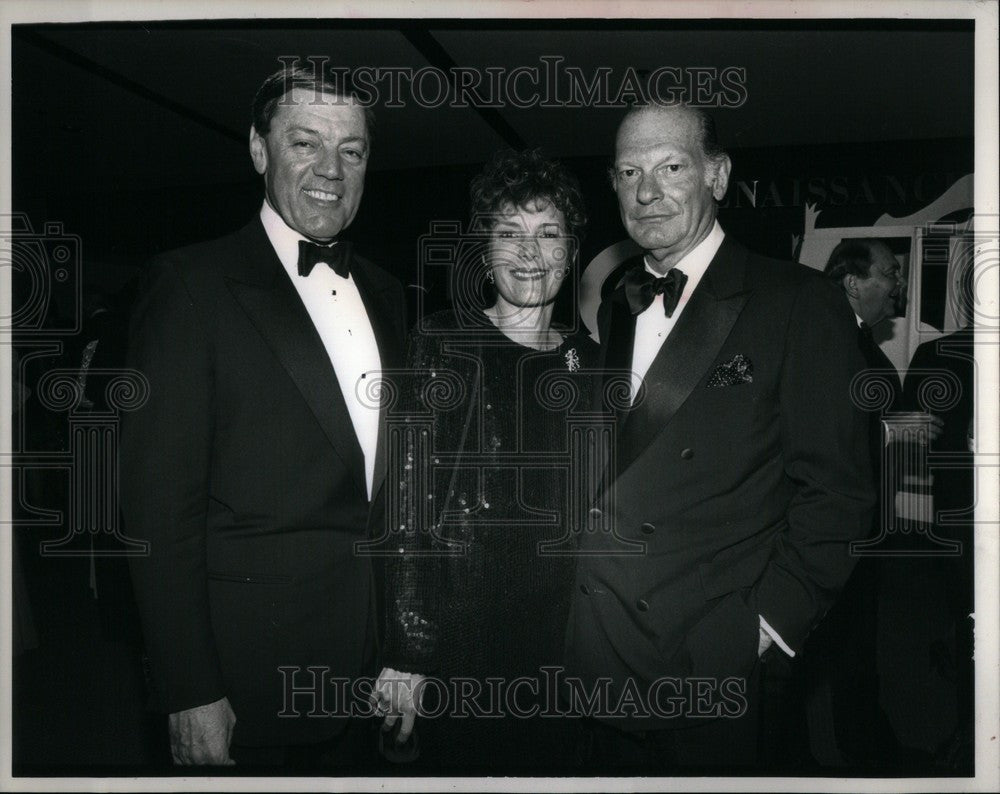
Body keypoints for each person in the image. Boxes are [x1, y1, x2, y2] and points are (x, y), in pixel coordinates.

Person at [563, 103, 875, 770]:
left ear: (718, 175)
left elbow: (840, 495)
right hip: (598, 656)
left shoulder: (798, 302)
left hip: (713, 664)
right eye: (628, 172)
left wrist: (760, 630)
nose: (647, 192)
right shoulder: (618, 305)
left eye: (671, 167)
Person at [120, 65, 407, 767]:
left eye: (352, 150)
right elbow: (156, 510)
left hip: (372, 676)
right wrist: (189, 689)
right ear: (258, 149)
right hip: (250, 681)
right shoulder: (189, 286)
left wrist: (405, 648)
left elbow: (399, 492)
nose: (330, 170)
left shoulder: (390, 293)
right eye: (305, 143)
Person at [373, 149, 596, 772]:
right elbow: (406, 499)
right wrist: (410, 646)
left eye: (548, 232)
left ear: (570, 250)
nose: (530, 251)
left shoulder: (593, 360)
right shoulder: (441, 343)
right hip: (462, 628)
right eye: (509, 233)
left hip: (563, 633)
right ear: (484, 250)